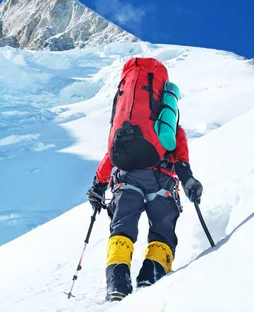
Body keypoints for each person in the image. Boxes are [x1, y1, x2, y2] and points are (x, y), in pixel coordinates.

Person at [86, 57, 203, 302]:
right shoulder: (166, 121)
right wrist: (189, 180)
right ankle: (151, 282)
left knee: (122, 229)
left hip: (126, 179)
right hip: (161, 181)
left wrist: (97, 186)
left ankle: (117, 285)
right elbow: (179, 152)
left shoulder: (124, 120)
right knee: (162, 235)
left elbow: (111, 154)